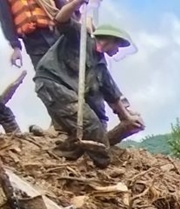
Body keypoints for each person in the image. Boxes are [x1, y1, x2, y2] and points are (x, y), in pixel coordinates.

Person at [32, 0, 141, 167]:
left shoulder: (99, 63)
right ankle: (103, 167)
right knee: (90, 125)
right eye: (118, 45)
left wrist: (127, 117)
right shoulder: (80, 37)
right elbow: (60, 19)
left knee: (85, 129)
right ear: (110, 40)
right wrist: (77, 2)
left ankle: (60, 157)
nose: (118, 50)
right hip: (52, 83)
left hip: (69, 92)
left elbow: (112, 94)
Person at [1, 0, 63, 69]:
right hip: (33, 41)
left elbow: (61, 4)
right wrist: (16, 47)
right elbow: (6, 19)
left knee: (70, 68)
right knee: (45, 73)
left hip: (56, 32)